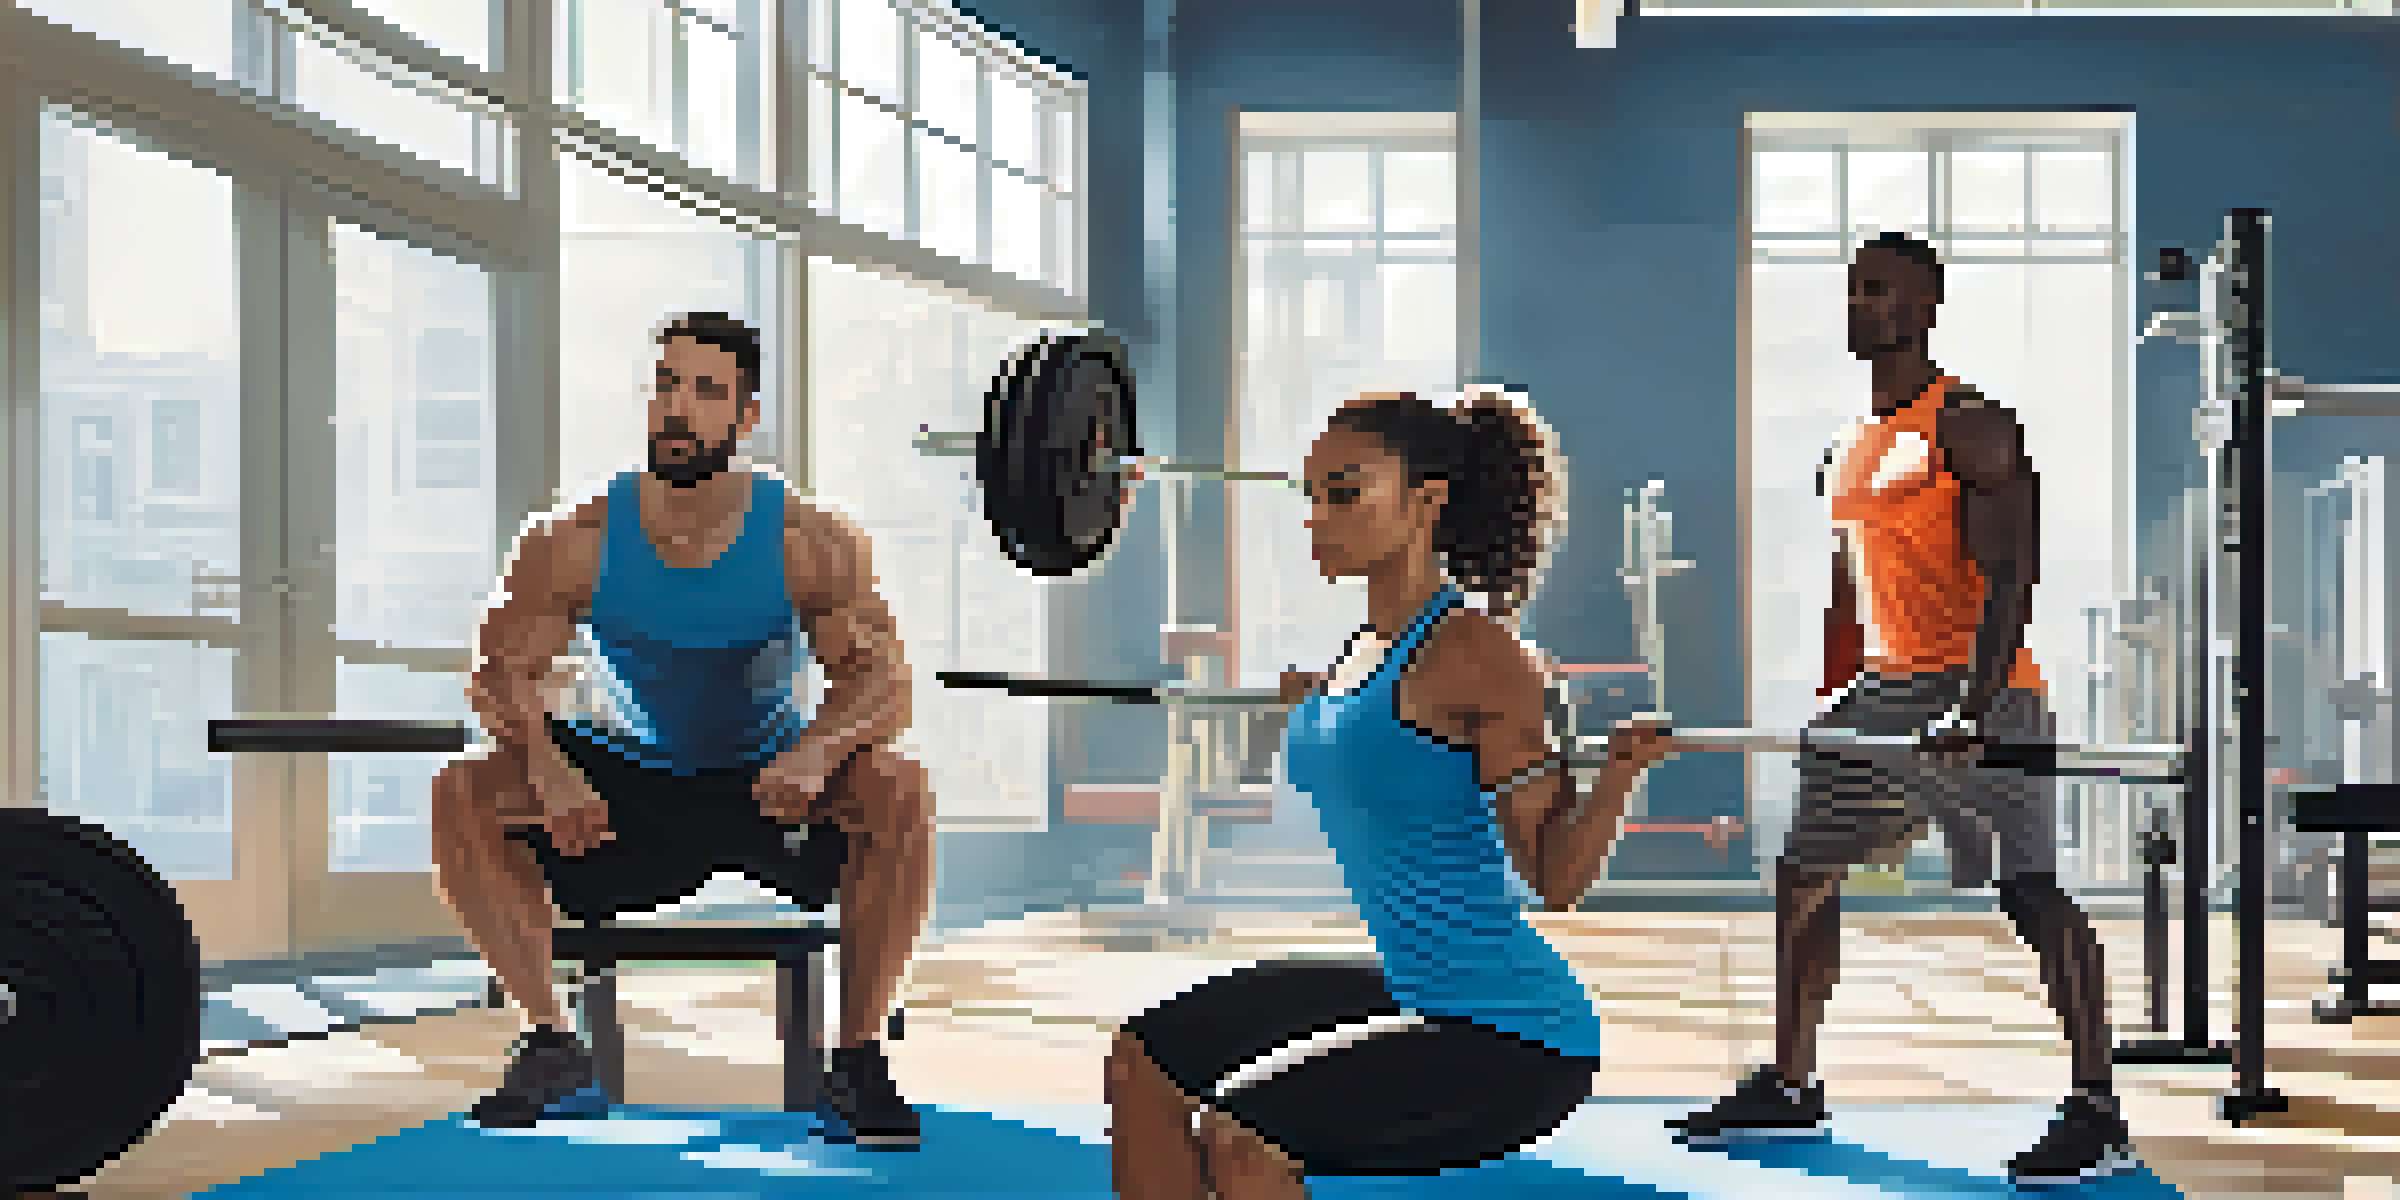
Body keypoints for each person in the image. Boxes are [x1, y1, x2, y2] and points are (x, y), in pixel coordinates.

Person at [1103, 387, 1674, 1199]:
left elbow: (1559, 878)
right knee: (1144, 1064)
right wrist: (1313, 713)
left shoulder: (1479, 656)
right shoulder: (1361, 652)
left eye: (1346, 493)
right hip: (1415, 980)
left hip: (1511, 1030)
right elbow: (1371, 770)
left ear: (1425, 503)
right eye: (1312, 496)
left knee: (1243, 1139)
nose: (1317, 518)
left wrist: (1619, 775)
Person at [1660, 232, 2134, 1182]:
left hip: (1982, 692)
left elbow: (2012, 572)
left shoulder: (1969, 424)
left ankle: (2096, 1109)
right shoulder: (1852, 444)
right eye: (1854, 291)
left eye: (1881, 291)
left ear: (1927, 305)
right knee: (1803, 875)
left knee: (2030, 893)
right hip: (1882, 692)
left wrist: (1977, 703)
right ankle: (1793, 1087)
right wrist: (1843, 688)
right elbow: (1855, 587)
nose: (1861, 305)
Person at [429, 312, 933, 1149]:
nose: (678, 407)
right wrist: (549, 766)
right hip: (633, 785)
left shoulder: (808, 539)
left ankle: (858, 1057)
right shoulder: (575, 539)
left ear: (746, 415)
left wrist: (817, 748)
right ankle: (549, 1037)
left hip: (770, 785)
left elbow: (884, 681)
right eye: (666, 384)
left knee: (899, 786)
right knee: (465, 791)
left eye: (705, 391)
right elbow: (500, 676)